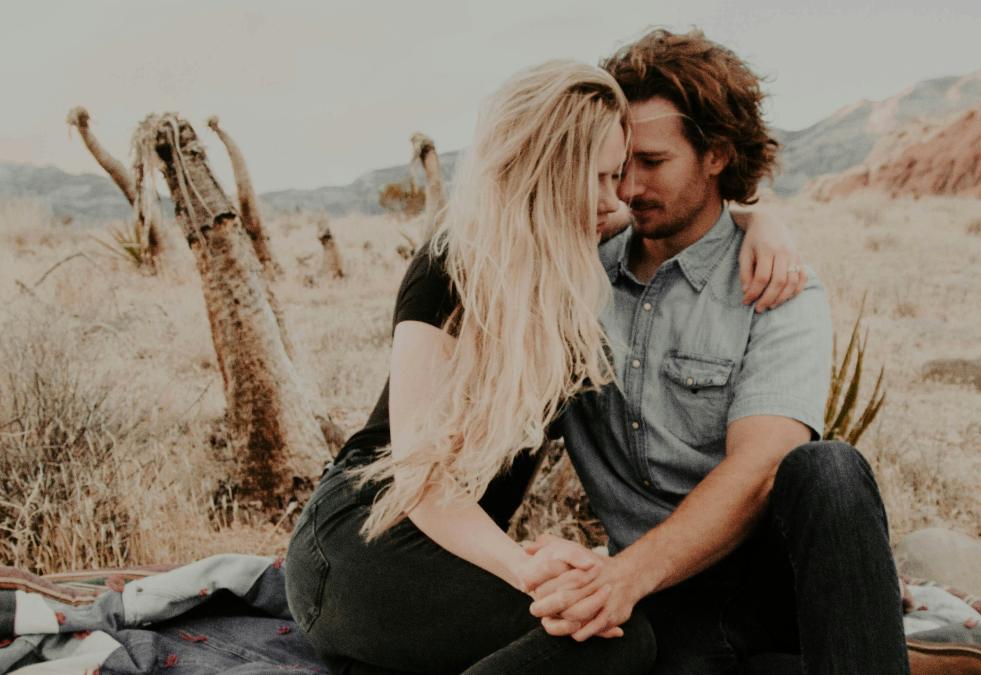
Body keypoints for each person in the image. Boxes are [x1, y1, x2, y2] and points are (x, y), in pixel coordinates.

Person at [283, 58, 804, 674]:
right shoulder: (452, 266)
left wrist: (760, 220)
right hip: (364, 538)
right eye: (604, 177)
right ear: (551, 171)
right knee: (618, 643)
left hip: (463, 555)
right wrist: (523, 567)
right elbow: (423, 487)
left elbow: (689, 224)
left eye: (623, 176)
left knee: (612, 636)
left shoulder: (577, 262)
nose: (620, 199)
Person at [523, 30, 912, 674]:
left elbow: (762, 466)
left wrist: (622, 579)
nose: (626, 186)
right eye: (617, 163)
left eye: (651, 162)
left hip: (766, 582)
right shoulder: (576, 273)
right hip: (665, 603)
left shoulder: (777, 285)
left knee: (828, 468)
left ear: (716, 156)